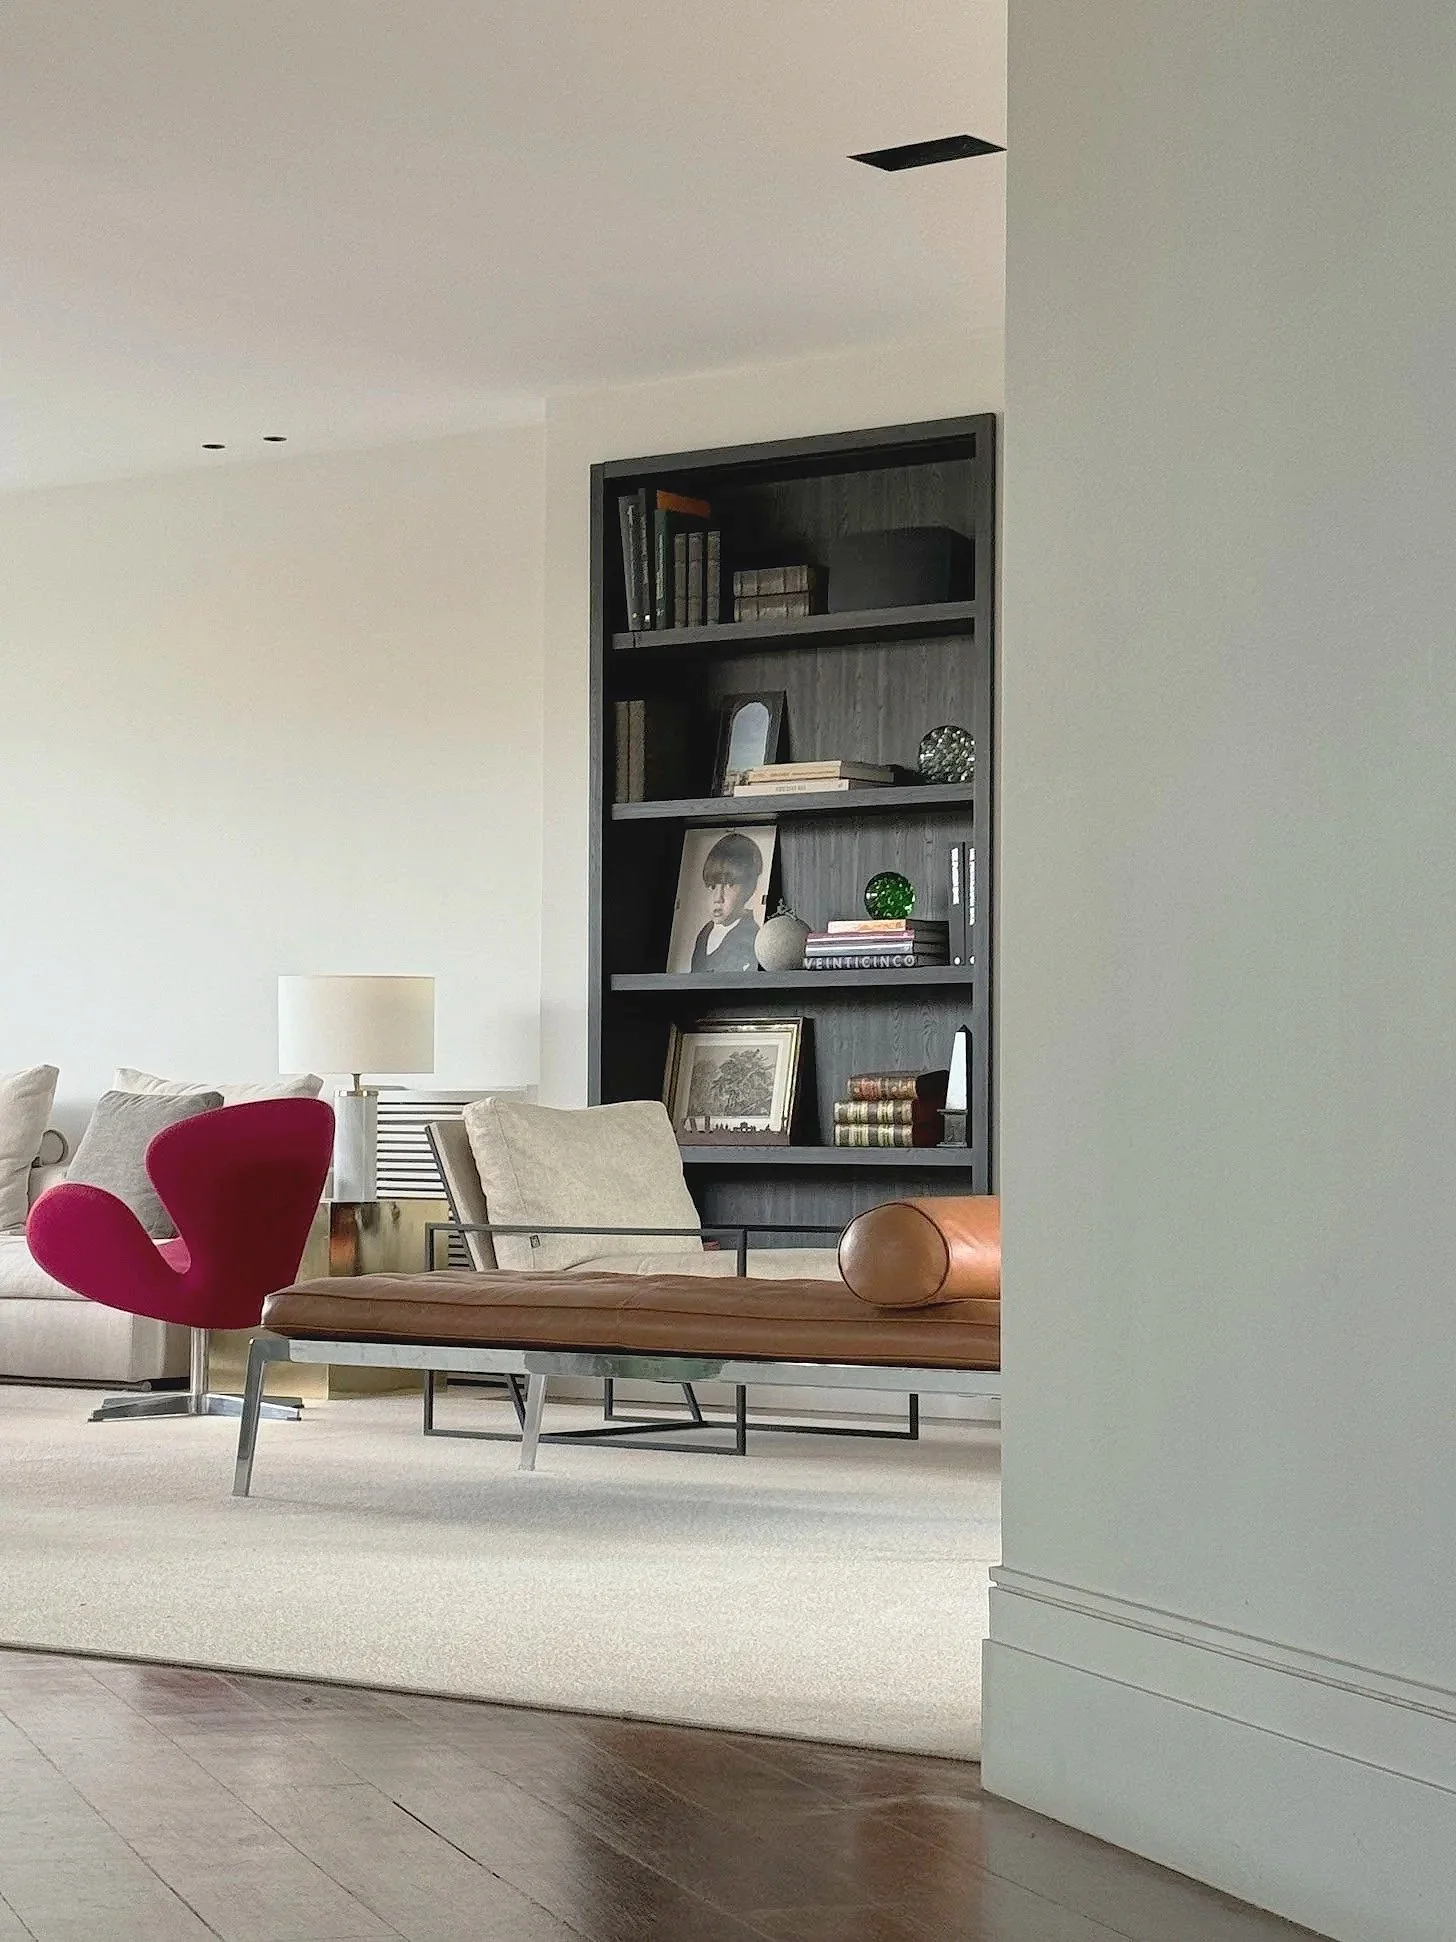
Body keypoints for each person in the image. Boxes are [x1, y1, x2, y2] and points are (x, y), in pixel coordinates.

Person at [690, 831, 764, 973]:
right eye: (712, 886)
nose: (718, 898)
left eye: (729, 885)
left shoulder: (750, 937)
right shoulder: (705, 933)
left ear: (749, 888)